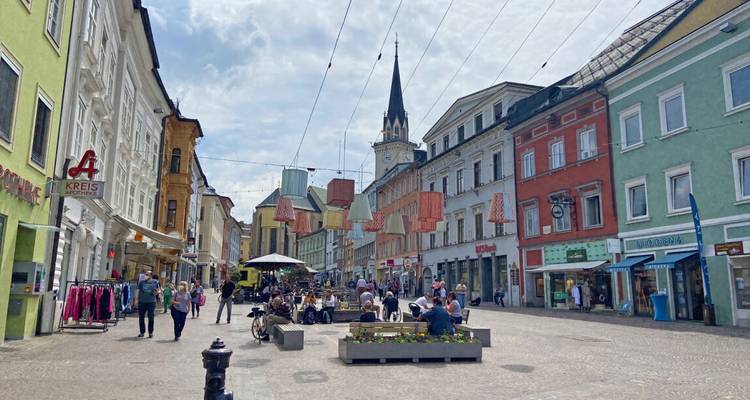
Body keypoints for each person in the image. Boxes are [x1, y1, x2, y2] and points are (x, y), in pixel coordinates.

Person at [135, 271, 161, 338]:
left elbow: (159, 290)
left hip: (151, 302)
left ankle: (150, 332)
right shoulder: (141, 282)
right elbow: (137, 290)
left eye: (147, 274)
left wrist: (157, 292)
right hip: (142, 302)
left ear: (151, 275)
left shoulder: (155, 282)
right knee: (141, 317)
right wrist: (136, 300)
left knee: (151, 317)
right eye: (145, 274)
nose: (145, 275)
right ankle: (142, 332)